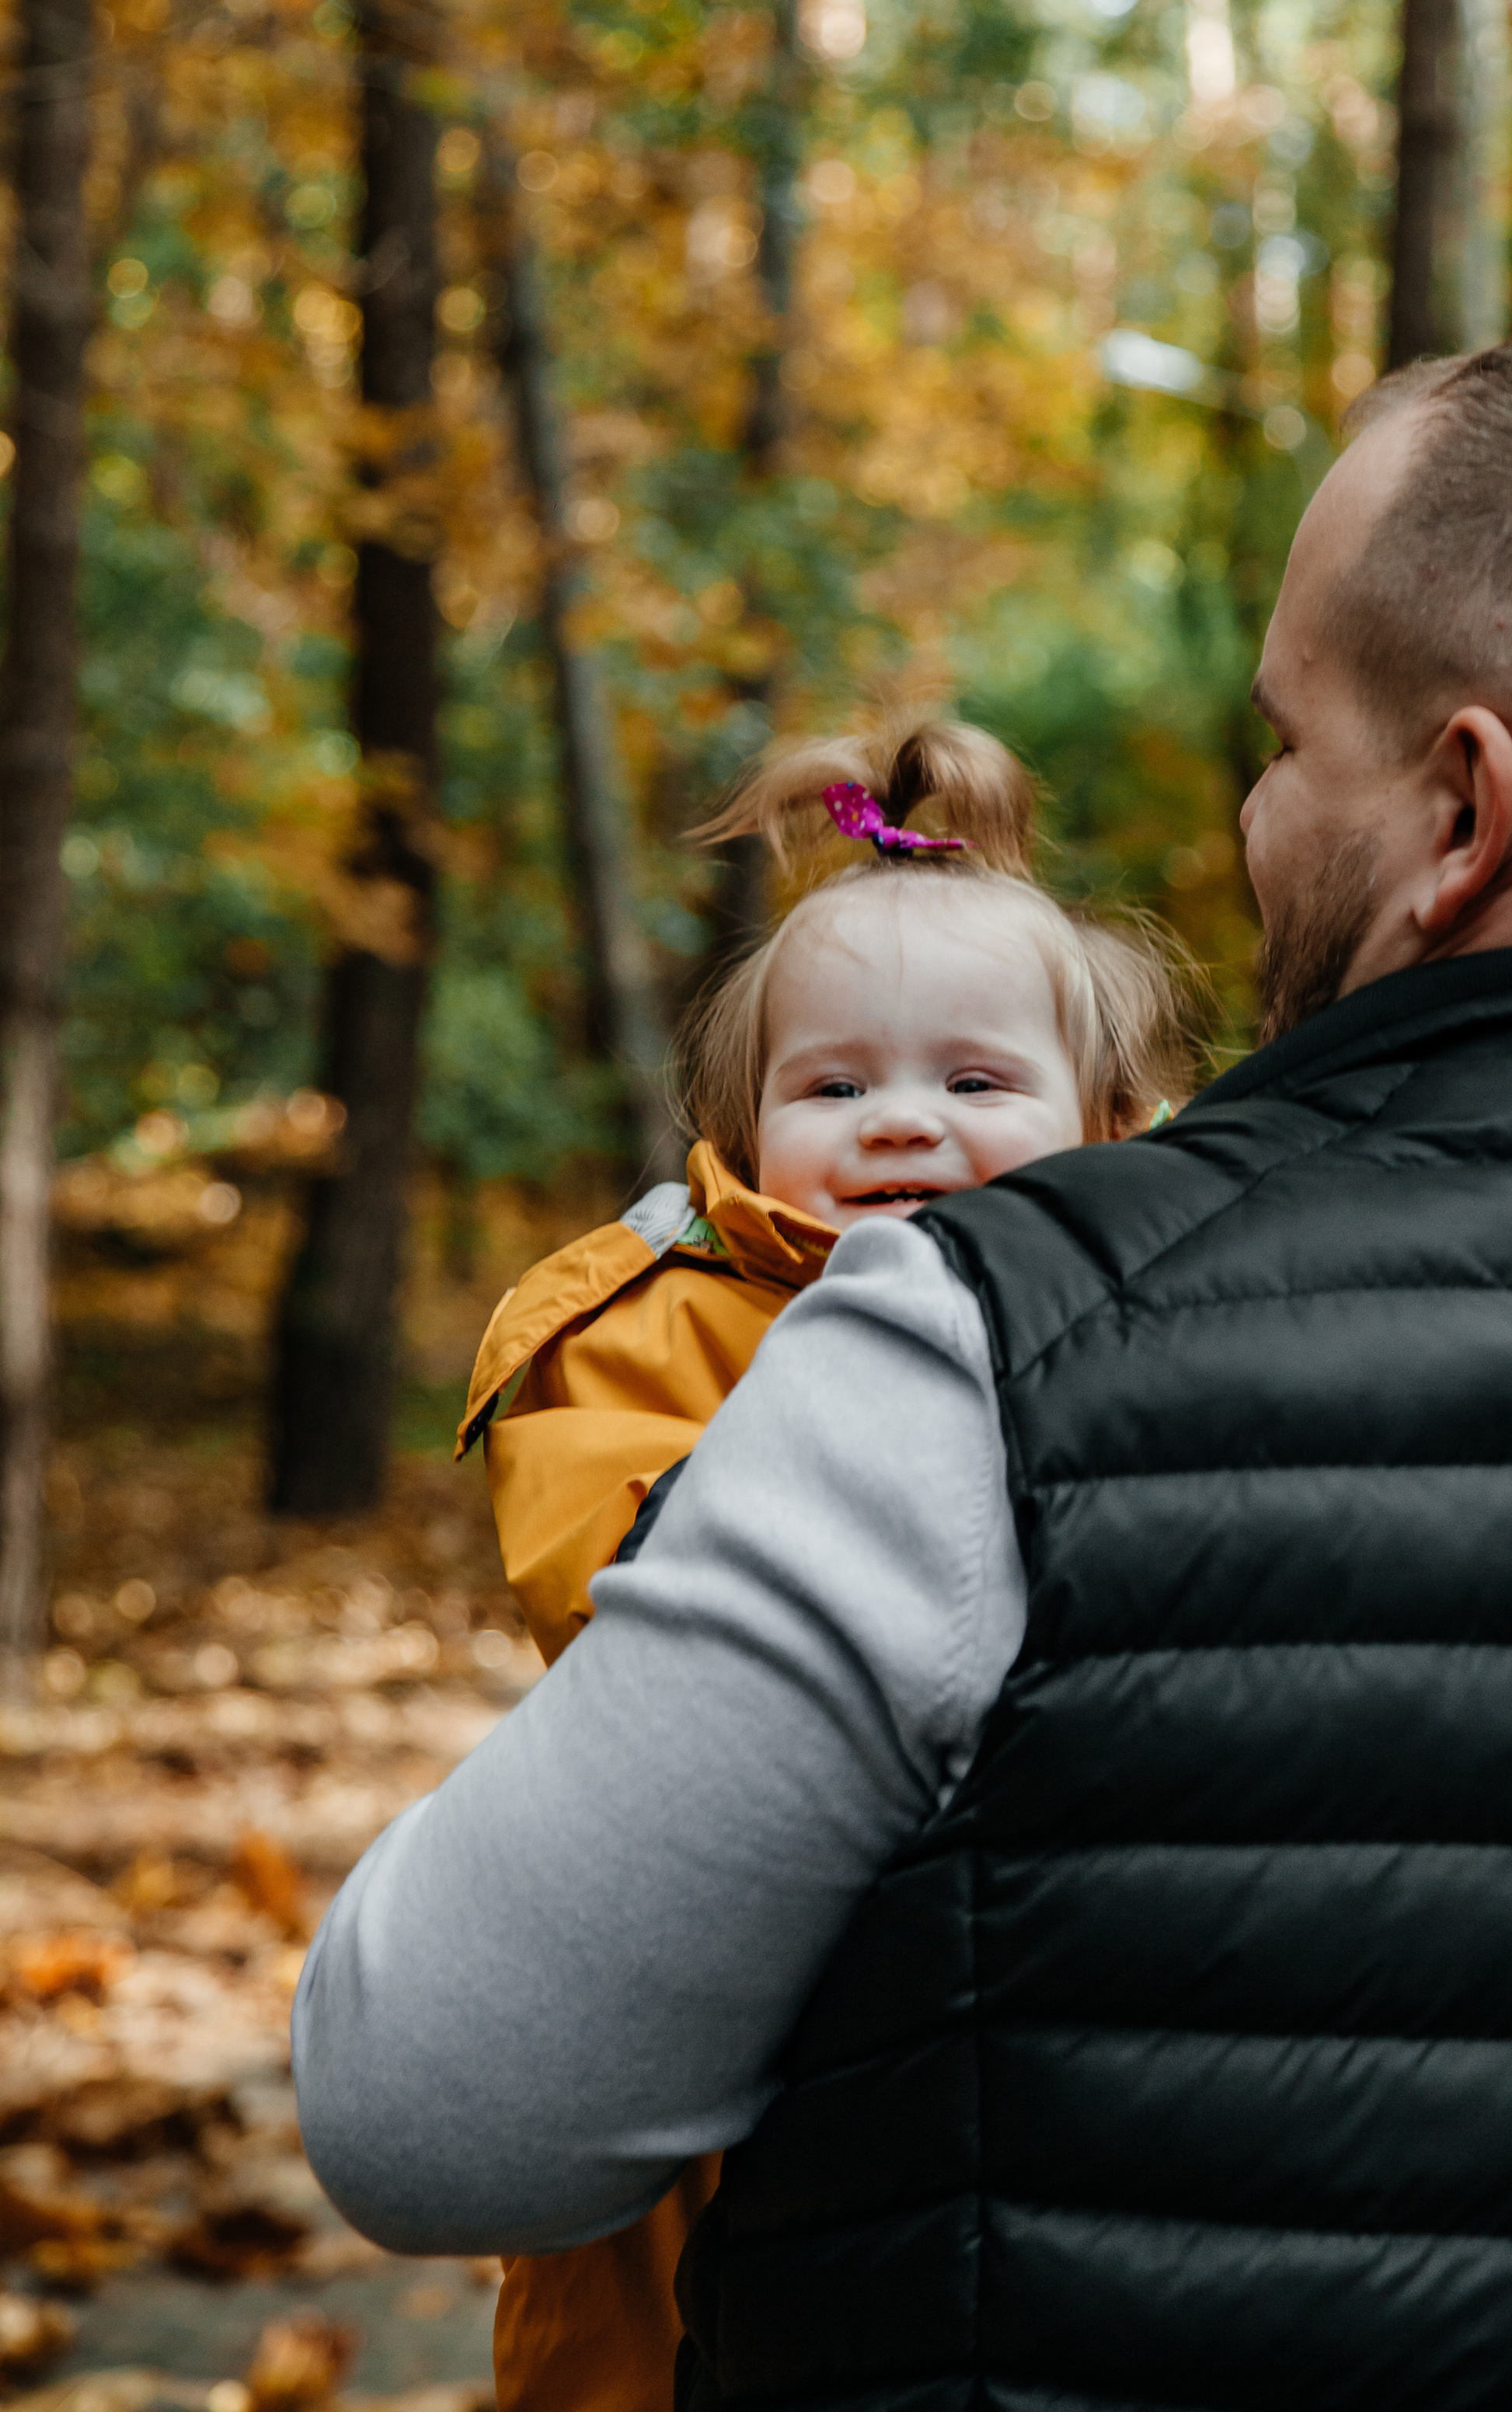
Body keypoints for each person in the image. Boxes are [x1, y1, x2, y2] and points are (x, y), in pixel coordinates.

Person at [295, 326, 1512, 2407]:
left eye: (1286, 745)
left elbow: (442, 2110)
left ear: (1464, 809)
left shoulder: (982, 1348)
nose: (1261, 813)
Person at [459, 716, 1194, 2412]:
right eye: (835, 1085)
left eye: (975, 1083)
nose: (897, 1127)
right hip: (717, 1979)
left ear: (1110, 1117)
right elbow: (622, 1592)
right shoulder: (645, 1329)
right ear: (740, 1115)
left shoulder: (1155, 1325)